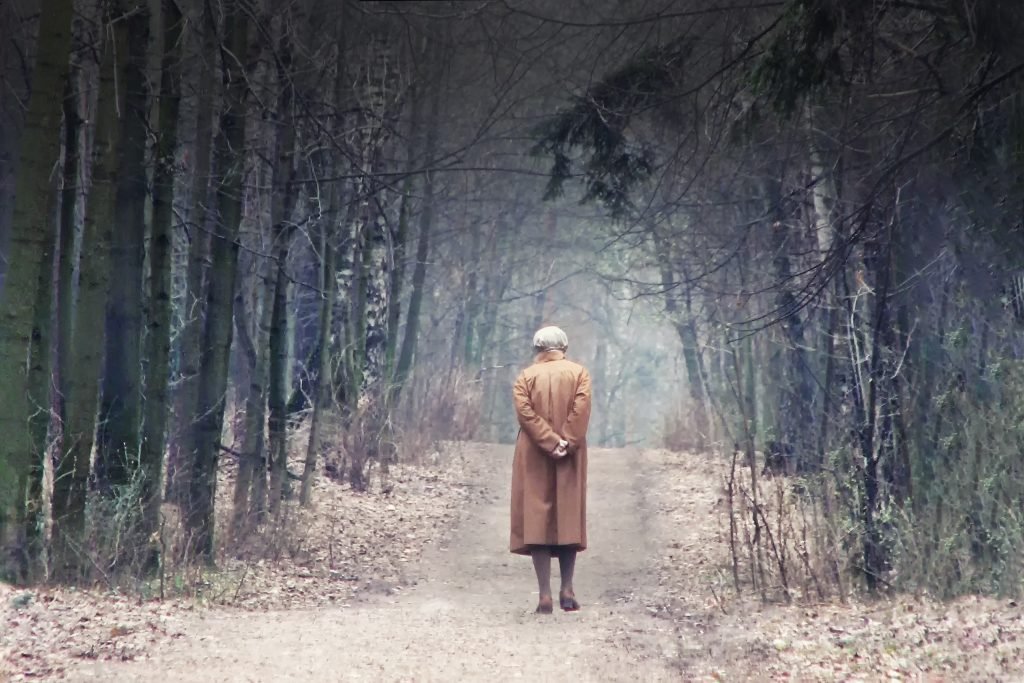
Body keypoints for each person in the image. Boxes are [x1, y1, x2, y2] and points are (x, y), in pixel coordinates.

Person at [510, 325, 592, 614]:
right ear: (564, 347)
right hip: (570, 454)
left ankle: (544, 594)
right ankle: (567, 589)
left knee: (536, 518)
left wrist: (548, 441)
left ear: (537, 348)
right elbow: (581, 411)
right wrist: (566, 442)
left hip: (533, 452)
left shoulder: (525, 377)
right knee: (568, 515)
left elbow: (525, 414)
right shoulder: (579, 374)